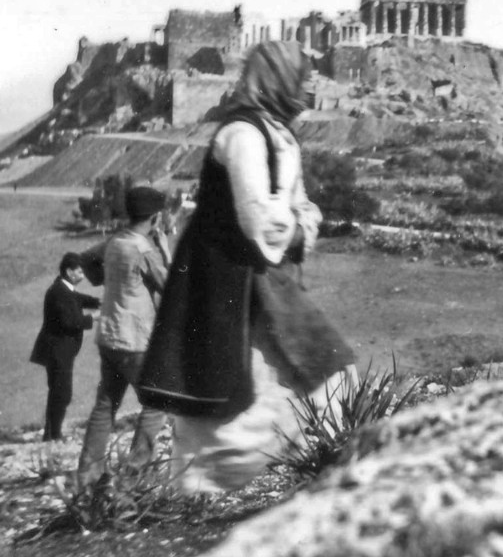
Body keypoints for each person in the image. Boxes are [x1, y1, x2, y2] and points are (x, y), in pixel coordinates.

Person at [138, 41, 355, 494]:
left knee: (316, 369)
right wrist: (298, 228)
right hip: (230, 280)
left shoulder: (278, 135)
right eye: (302, 73)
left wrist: (296, 222)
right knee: (235, 386)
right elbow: (261, 218)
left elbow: (297, 208)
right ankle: (200, 490)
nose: (310, 82)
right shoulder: (242, 135)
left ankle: (226, 480)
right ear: (280, 78)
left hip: (264, 278)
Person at [76, 186, 172, 488]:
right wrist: (166, 251)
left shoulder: (115, 240)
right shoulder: (144, 250)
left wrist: (107, 279)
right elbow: (169, 288)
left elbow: (87, 259)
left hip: (108, 336)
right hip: (135, 339)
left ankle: (88, 476)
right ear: (156, 218)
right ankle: (134, 474)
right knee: (158, 401)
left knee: (105, 405)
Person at [29, 253, 101, 442]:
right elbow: (70, 321)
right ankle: (54, 434)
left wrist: (99, 302)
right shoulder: (59, 292)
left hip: (59, 350)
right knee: (62, 393)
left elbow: (79, 299)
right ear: (69, 272)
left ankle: (51, 433)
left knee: (58, 392)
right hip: (57, 350)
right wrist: (93, 317)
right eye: (79, 271)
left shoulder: (64, 289)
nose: (83, 275)